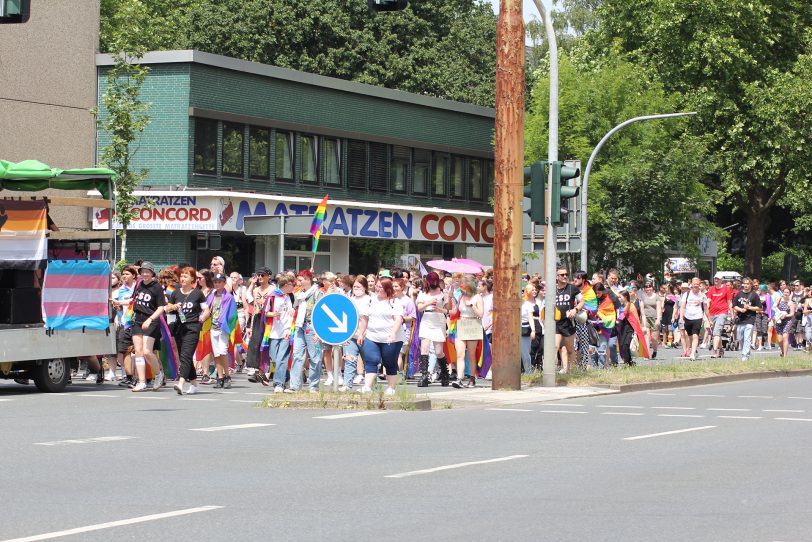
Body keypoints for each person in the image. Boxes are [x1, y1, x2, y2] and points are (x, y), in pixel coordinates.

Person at [355, 278, 404, 395]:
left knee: (389, 362)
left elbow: (398, 319)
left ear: (387, 288)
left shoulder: (394, 302)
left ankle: (391, 388)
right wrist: (361, 334)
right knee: (371, 360)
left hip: (392, 338)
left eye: (380, 287)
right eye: (376, 286)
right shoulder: (370, 301)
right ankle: (367, 387)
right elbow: (365, 319)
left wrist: (393, 333)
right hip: (372, 336)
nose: (377, 288)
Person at [167, 267, 209, 395]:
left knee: (186, 355)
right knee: (184, 356)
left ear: (192, 279)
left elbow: (206, 309)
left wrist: (203, 317)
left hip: (193, 327)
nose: (182, 278)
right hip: (179, 327)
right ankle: (194, 384)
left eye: (186, 276)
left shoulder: (197, 293)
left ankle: (180, 383)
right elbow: (168, 307)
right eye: (182, 276)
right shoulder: (175, 293)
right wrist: (172, 306)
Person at [130, 262, 166, 392]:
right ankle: (142, 382)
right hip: (137, 320)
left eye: (147, 271)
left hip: (151, 320)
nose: (145, 274)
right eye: (143, 271)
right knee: (138, 352)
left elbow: (161, 307)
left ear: (152, 273)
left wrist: (150, 319)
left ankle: (158, 374)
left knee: (147, 351)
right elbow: (133, 301)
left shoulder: (157, 287)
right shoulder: (138, 284)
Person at [290, 269, 323, 392]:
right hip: (299, 326)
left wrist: (319, 332)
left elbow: (321, 313)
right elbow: (294, 308)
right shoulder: (298, 294)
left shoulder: (317, 294)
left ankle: (313, 386)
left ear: (308, 280)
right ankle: (294, 386)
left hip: (312, 327)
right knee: (297, 355)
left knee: (315, 357)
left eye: (301, 280)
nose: (298, 283)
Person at [416, 272, 451, 387]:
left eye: (435, 282)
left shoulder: (443, 294)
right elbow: (419, 308)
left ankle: (445, 373)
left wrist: (439, 309)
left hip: (438, 319)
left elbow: (448, 311)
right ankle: (424, 376)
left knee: (439, 351)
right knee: (424, 348)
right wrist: (428, 302)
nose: (433, 284)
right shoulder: (423, 293)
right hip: (427, 319)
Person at [451, 276, 484, 388]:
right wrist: (450, 299)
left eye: (463, 282)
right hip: (461, 324)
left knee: (471, 354)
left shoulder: (477, 297)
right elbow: (455, 311)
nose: (461, 284)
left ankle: (472, 378)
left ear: (470, 284)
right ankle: (459, 378)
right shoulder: (461, 296)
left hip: (473, 324)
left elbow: (480, 314)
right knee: (460, 354)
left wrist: (472, 305)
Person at [264, 275, 294, 392]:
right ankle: (286, 376)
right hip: (273, 332)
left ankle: (278, 384)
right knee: (275, 358)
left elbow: (291, 312)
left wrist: (289, 328)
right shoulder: (272, 297)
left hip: (286, 331)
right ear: (286, 285)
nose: (293, 287)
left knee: (282, 358)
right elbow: (265, 312)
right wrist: (273, 314)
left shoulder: (289, 297)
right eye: (292, 285)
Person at [341, 276, 371, 391]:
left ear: (364, 287)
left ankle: (371, 385)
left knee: (369, 361)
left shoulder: (369, 299)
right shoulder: (350, 299)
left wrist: (362, 334)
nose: (356, 289)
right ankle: (347, 385)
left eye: (359, 286)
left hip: (366, 335)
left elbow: (365, 318)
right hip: (351, 336)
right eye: (354, 287)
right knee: (350, 359)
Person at [553, 266, 584, 374]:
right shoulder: (553, 289)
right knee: (555, 346)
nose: (565, 276)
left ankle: (572, 370)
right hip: (556, 322)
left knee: (570, 349)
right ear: (557, 277)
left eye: (566, 274)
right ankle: (550, 371)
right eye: (562, 275)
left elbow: (582, 301)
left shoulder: (572, 288)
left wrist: (575, 310)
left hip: (568, 323)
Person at [245, 267, 273, 383]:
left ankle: (266, 371)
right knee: (255, 344)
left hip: (269, 319)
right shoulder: (256, 290)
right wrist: (250, 326)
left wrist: (266, 304)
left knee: (267, 345)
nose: (260, 277)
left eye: (263, 275)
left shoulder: (273, 290)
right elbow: (253, 306)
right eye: (259, 275)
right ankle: (257, 371)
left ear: (268, 276)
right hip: (257, 319)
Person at [111, 266, 137, 385]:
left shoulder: (138, 287)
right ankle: (129, 376)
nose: (125, 276)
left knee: (142, 351)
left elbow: (134, 302)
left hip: (137, 323)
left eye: (127, 274)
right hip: (124, 323)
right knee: (125, 350)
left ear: (134, 276)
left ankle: (149, 376)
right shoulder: (121, 290)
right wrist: (118, 308)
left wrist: (120, 303)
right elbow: (121, 307)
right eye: (123, 274)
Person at [732, 277, 762, 362]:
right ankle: (745, 352)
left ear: (751, 285)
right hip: (741, 319)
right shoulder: (739, 294)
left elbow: (759, 308)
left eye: (748, 284)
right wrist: (740, 309)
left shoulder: (754, 295)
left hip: (750, 319)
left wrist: (750, 307)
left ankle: (745, 355)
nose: (746, 285)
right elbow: (734, 305)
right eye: (744, 283)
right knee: (740, 338)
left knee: (747, 337)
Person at [678, 277, 708, 361]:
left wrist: (709, 319)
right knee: (689, 336)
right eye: (694, 284)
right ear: (691, 284)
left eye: (697, 284)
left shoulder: (702, 295)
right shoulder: (686, 294)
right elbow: (682, 306)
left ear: (699, 285)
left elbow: (705, 308)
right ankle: (693, 349)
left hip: (698, 317)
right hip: (688, 317)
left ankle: (692, 353)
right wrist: (681, 317)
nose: (696, 286)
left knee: (695, 336)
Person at [393, 278, 416, 383]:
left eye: (396, 286)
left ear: (402, 287)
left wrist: (401, 318)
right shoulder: (390, 299)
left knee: (398, 353)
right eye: (393, 286)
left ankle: (400, 375)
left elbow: (413, 317)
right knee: (393, 354)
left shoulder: (408, 301)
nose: (394, 288)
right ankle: (397, 373)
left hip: (404, 330)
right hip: (391, 329)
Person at [707, 273, 734, 358]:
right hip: (712, 313)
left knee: (716, 332)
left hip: (722, 313)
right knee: (716, 332)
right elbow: (708, 300)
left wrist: (732, 314)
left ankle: (714, 351)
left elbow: (729, 303)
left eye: (718, 279)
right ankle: (721, 348)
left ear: (721, 280)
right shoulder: (711, 289)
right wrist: (706, 309)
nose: (716, 280)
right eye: (715, 278)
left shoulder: (726, 289)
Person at [639, 281, 662, 359]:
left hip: (654, 318)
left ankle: (655, 351)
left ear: (652, 288)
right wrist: (644, 322)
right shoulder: (642, 297)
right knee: (647, 336)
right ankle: (647, 353)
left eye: (649, 287)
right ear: (644, 289)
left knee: (654, 338)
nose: (648, 289)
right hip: (646, 318)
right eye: (646, 288)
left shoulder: (656, 296)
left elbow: (659, 308)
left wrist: (658, 319)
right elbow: (642, 310)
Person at [773, 287, 795, 358]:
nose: (785, 293)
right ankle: (782, 351)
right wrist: (777, 312)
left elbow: (792, 314)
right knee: (780, 340)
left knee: (785, 337)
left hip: (787, 320)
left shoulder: (791, 302)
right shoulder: (779, 299)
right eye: (785, 292)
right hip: (779, 320)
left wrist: (785, 315)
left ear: (789, 294)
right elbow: (773, 307)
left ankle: (785, 356)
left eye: (787, 292)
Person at [520, 283, 536, 374]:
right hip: (515, 330)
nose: (521, 294)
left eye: (522, 292)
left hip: (525, 329)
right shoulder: (513, 304)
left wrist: (533, 330)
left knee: (525, 352)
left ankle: (528, 372)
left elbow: (530, 318)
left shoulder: (527, 304)